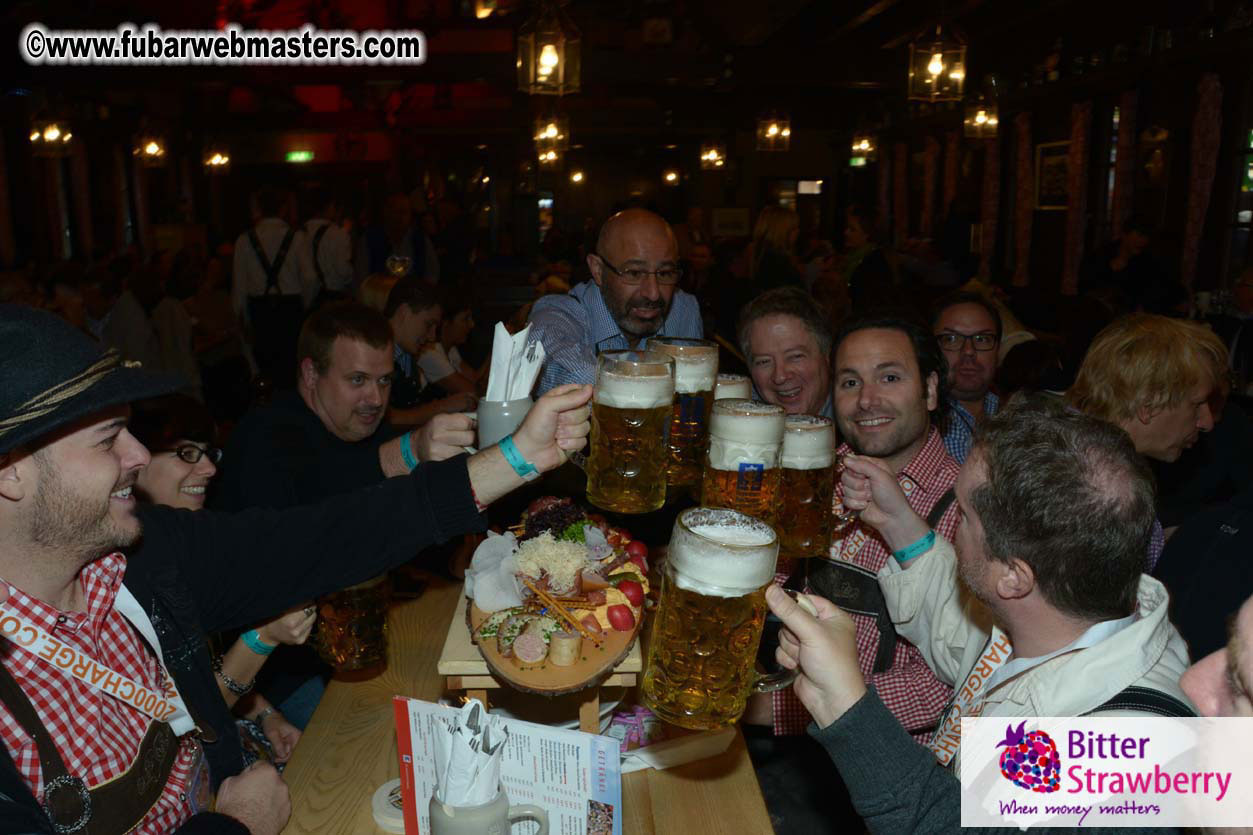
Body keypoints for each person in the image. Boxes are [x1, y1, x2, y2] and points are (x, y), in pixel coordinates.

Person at [0, 302, 591, 834]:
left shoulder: (140, 561)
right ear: (11, 469)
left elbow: (321, 537)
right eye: (108, 440)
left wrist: (516, 459)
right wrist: (238, 825)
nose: (136, 454)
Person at [764, 395, 1194, 834]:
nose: (952, 525)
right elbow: (965, 634)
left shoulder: (1130, 765)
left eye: (964, 515)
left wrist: (843, 703)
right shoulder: (1073, 614)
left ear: (1013, 576)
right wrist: (898, 524)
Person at [761, 314, 962, 738]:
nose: (867, 400)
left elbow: (947, 686)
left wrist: (783, 706)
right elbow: (769, 580)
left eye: (889, 377)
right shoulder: (818, 473)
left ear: (929, 390)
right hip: (803, 746)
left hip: (887, 759)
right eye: (850, 383)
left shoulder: (966, 507)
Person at [129, 395, 311, 767]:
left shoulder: (188, 544)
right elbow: (183, 720)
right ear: (134, 463)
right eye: (186, 453)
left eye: (208, 452)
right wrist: (262, 638)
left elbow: (204, 665)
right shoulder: (124, 572)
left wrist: (264, 713)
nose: (210, 468)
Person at [528, 209, 702, 394]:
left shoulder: (684, 310)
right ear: (598, 270)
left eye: (665, 273)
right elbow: (574, 381)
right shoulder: (558, 314)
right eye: (634, 273)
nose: (653, 293)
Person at [232, 187, 316, 389]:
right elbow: (310, 278)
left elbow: (239, 286)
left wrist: (241, 318)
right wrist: (306, 304)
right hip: (290, 308)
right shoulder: (297, 237)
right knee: (291, 369)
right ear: (283, 208)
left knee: (264, 369)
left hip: (259, 310)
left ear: (259, 208)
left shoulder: (244, 240)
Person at [384, 280, 477, 427]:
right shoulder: (372, 354)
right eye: (428, 324)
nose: (432, 336)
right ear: (404, 313)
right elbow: (384, 418)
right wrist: (441, 406)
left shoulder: (406, 355)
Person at [737, 287, 833, 418]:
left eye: (795, 357)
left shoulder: (859, 422)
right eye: (764, 361)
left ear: (828, 356)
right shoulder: (740, 418)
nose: (780, 376)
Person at [931, 291, 1002, 464]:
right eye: (951, 339)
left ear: (998, 350)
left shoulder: (1016, 416)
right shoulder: (919, 426)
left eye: (982, 339)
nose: (968, 351)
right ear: (931, 349)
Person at [354, 192, 440, 284]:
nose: (400, 217)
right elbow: (361, 275)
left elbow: (432, 274)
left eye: (405, 212)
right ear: (386, 213)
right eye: (396, 212)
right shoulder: (370, 239)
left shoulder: (420, 240)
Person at [418, 288, 484, 397]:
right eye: (465, 319)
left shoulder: (451, 350)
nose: (472, 324)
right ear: (445, 323)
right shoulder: (430, 354)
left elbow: (476, 379)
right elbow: (474, 393)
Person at [842, 204, 896, 314]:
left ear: (867, 234)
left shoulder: (873, 264)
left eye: (852, 229)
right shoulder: (856, 258)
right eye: (847, 228)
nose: (846, 232)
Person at [301, 187, 353, 302]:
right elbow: (343, 270)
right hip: (332, 296)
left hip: (305, 297)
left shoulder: (299, 232)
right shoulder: (337, 234)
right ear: (330, 206)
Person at [749, 206, 803, 292]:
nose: (798, 232)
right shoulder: (776, 260)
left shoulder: (762, 254)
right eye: (793, 228)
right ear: (782, 231)